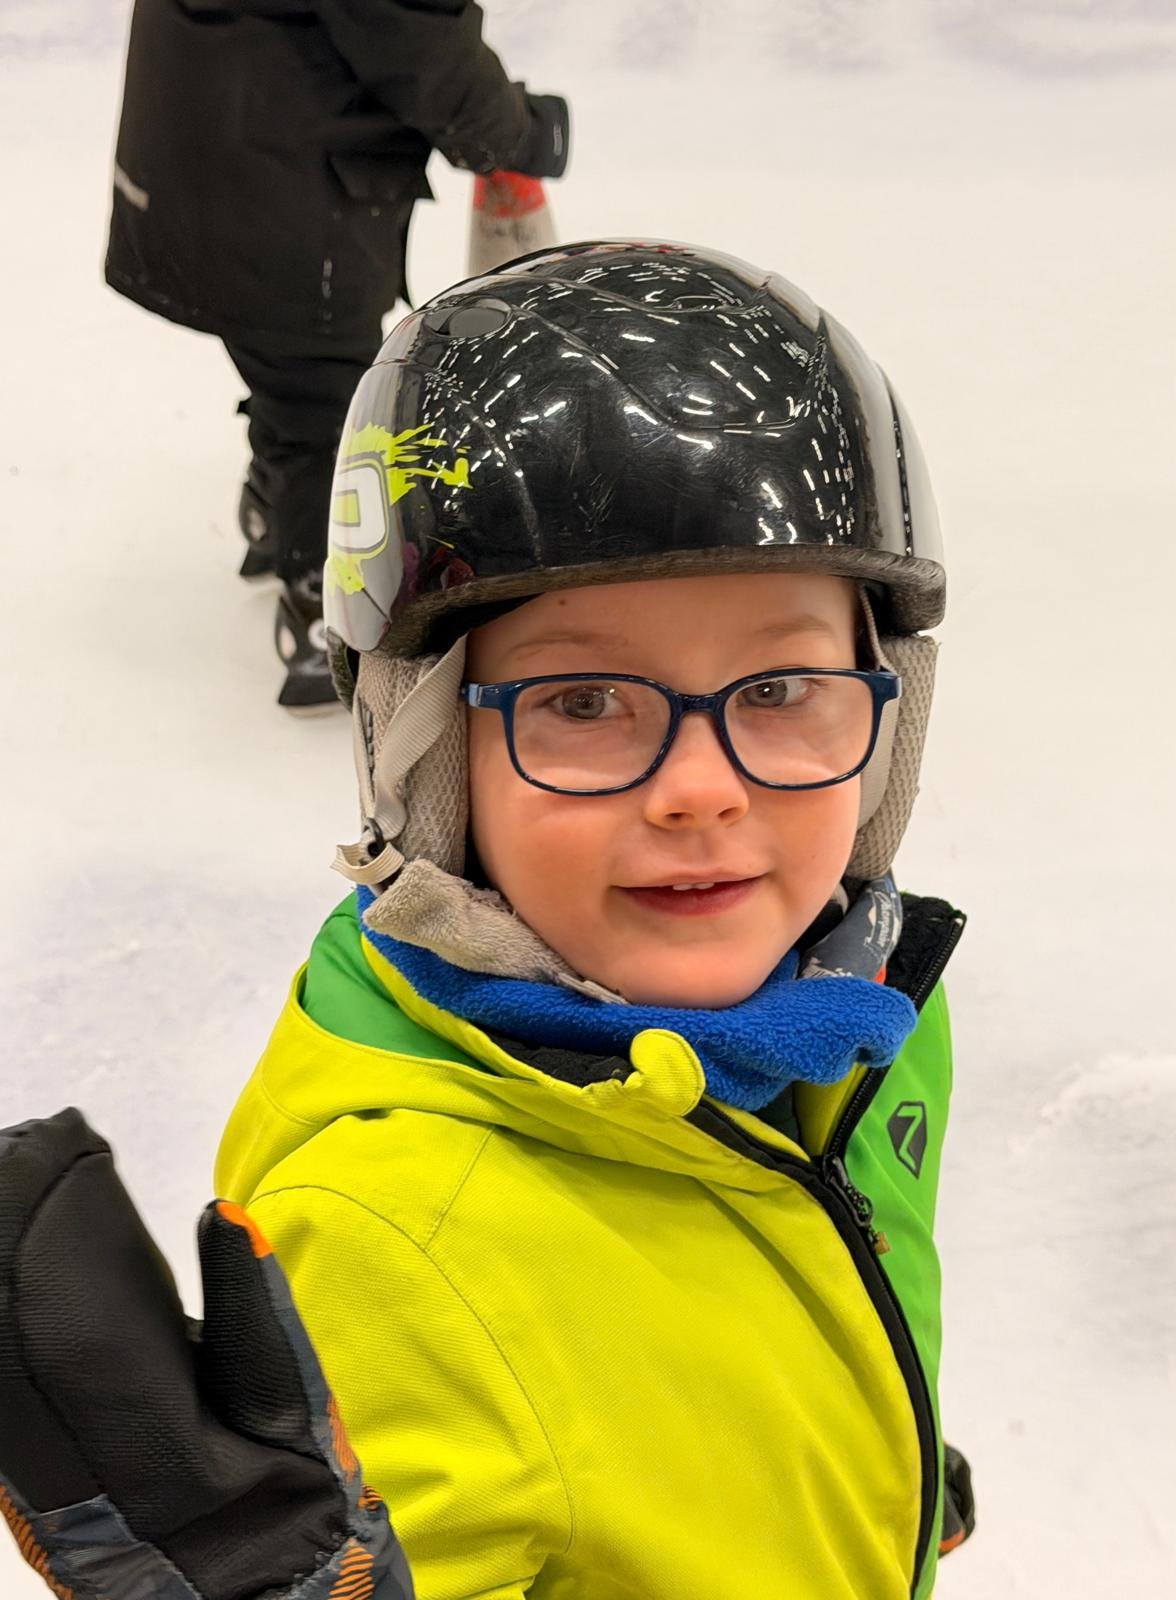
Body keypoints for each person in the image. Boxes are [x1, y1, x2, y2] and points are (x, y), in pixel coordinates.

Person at [0, 241, 975, 1600]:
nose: (702, 788)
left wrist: (839, 1457)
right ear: (428, 763)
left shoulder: (851, 1023)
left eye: (779, 689)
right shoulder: (400, 1243)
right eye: (583, 703)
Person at [104, 0, 569, 713]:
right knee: (323, 397)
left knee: (288, 362)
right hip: (276, 183)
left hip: (215, 147)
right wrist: (517, 131)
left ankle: (272, 502)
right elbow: (416, 40)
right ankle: (321, 598)